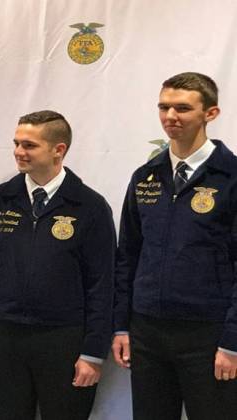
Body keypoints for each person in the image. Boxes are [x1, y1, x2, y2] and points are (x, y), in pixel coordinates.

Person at [0, 110, 116, 419]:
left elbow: (103, 284)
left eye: (29, 145)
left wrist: (93, 352)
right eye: (16, 143)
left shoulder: (90, 206)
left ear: (58, 149)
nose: (19, 152)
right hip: (5, 336)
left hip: (65, 338)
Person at [113, 72, 237, 419]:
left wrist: (232, 341)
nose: (171, 116)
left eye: (182, 108)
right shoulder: (145, 177)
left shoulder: (231, 177)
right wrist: (122, 325)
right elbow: (128, 256)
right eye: (164, 107)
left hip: (209, 334)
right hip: (147, 332)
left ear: (210, 113)